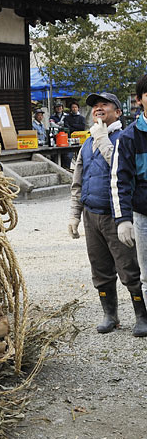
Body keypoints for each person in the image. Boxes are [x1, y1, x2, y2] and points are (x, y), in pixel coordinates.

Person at [68, 92, 146, 336]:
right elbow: (77, 182)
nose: (98, 109)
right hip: (91, 215)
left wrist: (103, 140)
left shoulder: (124, 137)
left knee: (130, 268)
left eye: (105, 105)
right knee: (100, 270)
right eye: (95, 106)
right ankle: (109, 314)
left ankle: (142, 315)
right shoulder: (87, 142)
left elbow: (121, 170)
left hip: (116, 214)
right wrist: (74, 214)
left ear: (118, 112)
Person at [110, 73, 147, 334]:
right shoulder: (130, 137)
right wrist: (123, 220)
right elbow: (120, 180)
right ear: (140, 100)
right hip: (144, 214)